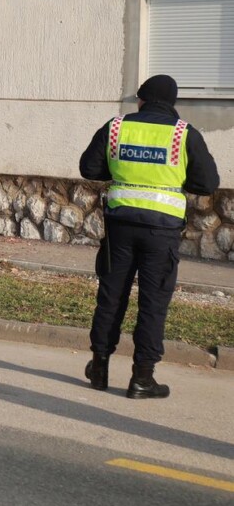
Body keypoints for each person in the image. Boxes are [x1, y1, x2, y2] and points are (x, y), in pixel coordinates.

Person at [78, 74, 219, 398]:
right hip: (162, 231)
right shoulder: (184, 134)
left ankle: (99, 367)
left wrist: (120, 174)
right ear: (171, 103)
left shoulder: (117, 127)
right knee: (153, 303)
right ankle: (142, 378)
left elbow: (89, 168)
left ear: (142, 100)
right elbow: (207, 182)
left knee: (112, 296)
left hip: (121, 226)